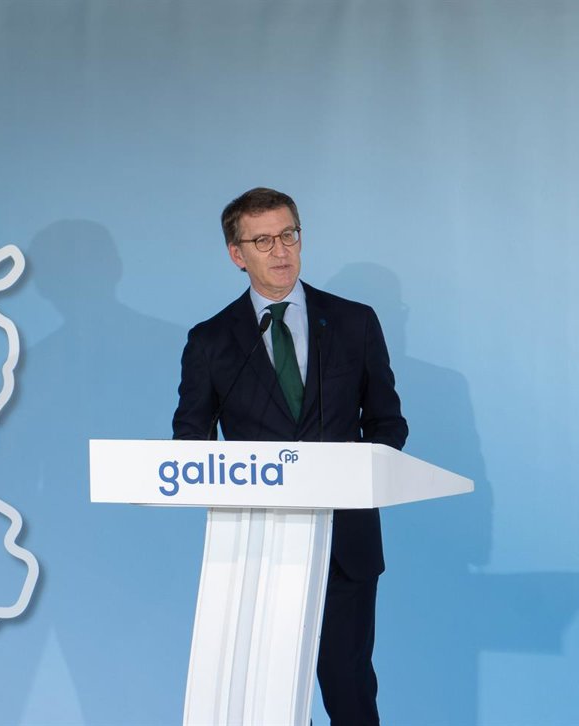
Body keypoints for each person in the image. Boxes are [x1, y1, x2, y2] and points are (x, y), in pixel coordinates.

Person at [172, 187, 408, 725]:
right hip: (256, 546)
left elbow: (388, 423)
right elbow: (190, 442)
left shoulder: (353, 322)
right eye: (263, 241)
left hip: (345, 540)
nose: (280, 250)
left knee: (348, 686)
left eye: (288, 235)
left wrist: (357, 471)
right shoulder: (211, 341)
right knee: (264, 692)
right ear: (237, 254)